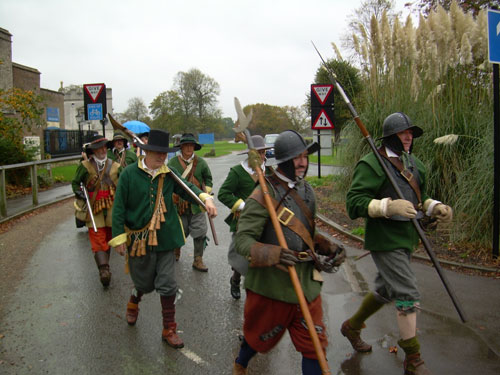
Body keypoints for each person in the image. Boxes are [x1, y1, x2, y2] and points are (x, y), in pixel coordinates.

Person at [342, 112, 453, 375]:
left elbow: (419, 196)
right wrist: (387, 206)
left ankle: (352, 326)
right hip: (384, 240)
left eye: (411, 133)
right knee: (407, 292)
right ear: (390, 136)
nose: (408, 136)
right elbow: (353, 203)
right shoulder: (371, 164)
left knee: (386, 289)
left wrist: (434, 206)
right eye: (403, 132)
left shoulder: (415, 165)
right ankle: (413, 358)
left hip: (407, 239)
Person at [232, 130, 346, 375]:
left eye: (305, 156)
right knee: (256, 339)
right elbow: (242, 240)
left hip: (305, 283)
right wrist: (270, 253)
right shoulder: (262, 194)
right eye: (297, 157)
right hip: (271, 288)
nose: (303, 162)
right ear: (283, 161)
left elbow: (305, 233)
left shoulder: (307, 192)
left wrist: (327, 246)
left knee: (314, 347)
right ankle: (240, 362)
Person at [108, 129, 217, 348]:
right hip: (139, 239)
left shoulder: (169, 174)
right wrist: (118, 238)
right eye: (156, 152)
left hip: (167, 238)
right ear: (145, 151)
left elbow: (189, 189)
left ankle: (169, 328)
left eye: (164, 153)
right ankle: (134, 300)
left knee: (167, 283)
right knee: (145, 283)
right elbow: (118, 207)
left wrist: (206, 199)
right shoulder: (129, 174)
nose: (161, 157)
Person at [217, 135, 272, 300]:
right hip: (243, 221)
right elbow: (223, 194)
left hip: (266, 222)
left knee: (264, 255)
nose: (262, 157)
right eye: (258, 153)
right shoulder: (237, 172)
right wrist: (243, 206)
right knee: (241, 258)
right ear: (249, 154)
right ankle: (235, 279)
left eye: (263, 153)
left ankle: (258, 291)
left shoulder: (269, 171)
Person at [72, 134, 121, 287]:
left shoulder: (116, 166)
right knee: (97, 236)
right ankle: (104, 270)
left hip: (112, 207)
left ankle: (104, 265)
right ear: (93, 150)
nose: (102, 150)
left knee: (109, 237)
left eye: (104, 147)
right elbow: (75, 183)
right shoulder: (85, 166)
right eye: (99, 148)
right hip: (95, 208)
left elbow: (124, 184)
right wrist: (80, 192)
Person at [167, 133, 213, 271]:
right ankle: (176, 250)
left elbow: (208, 179)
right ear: (181, 147)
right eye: (186, 145)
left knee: (200, 232)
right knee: (180, 231)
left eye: (191, 145)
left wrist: (206, 193)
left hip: (197, 204)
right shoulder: (173, 163)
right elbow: (168, 181)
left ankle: (198, 260)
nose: (189, 148)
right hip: (179, 205)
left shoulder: (201, 163)